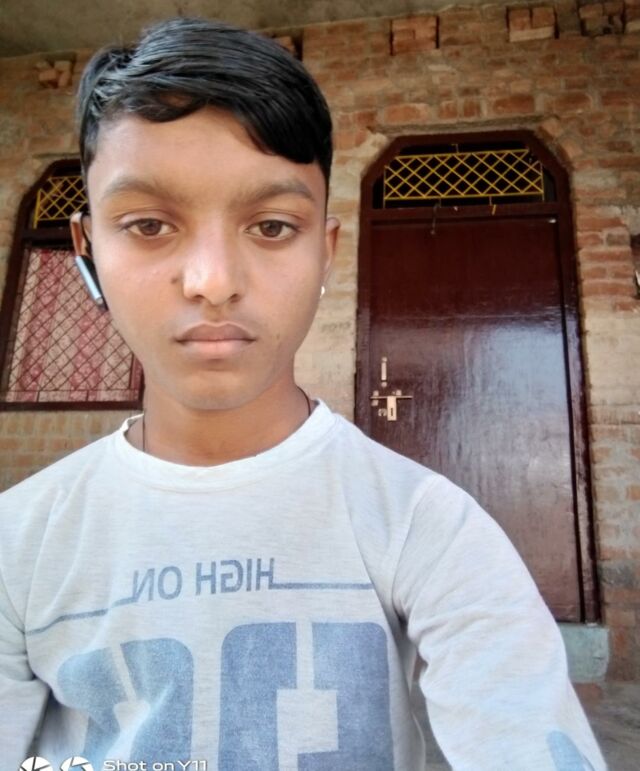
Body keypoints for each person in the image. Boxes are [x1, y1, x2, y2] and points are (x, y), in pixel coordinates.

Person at [0, 17, 606, 771]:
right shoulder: (19, 542)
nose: (213, 281)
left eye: (272, 225)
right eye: (149, 224)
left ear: (325, 249)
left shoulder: (426, 530)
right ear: (87, 249)